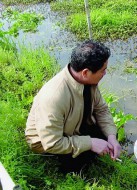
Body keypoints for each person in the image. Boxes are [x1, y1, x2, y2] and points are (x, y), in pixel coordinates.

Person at [25, 40, 122, 173]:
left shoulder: (88, 81)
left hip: (73, 126)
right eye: (103, 70)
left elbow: (101, 109)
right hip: (49, 144)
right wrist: (90, 143)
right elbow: (52, 143)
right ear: (85, 72)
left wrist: (111, 136)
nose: (105, 74)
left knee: (108, 137)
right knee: (79, 164)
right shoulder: (54, 97)